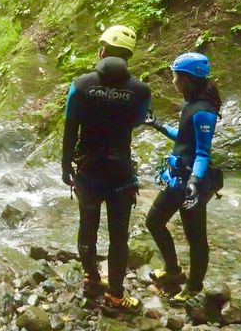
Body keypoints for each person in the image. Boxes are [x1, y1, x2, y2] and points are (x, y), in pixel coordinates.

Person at [62, 25, 151, 313]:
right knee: (119, 236)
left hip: (88, 170)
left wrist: (66, 166)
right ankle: (115, 296)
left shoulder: (81, 84)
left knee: (87, 227)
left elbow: (70, 128)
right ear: (128, 56)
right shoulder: (140, 90)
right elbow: (137, 122)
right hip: (121, 173)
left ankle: (90, 278)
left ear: (102, 51)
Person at [144, 52, 222, 306]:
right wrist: (158, 125)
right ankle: (173, 270)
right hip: (179, 178)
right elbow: (184, 139)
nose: (173, 80)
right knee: (154, 221)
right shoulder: (191, 104)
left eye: (175, 76)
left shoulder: (204, 112)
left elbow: (202, 152)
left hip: (192, 184)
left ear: (186, 79)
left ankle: (195, 286)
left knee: (196, 236)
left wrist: (195, 182)